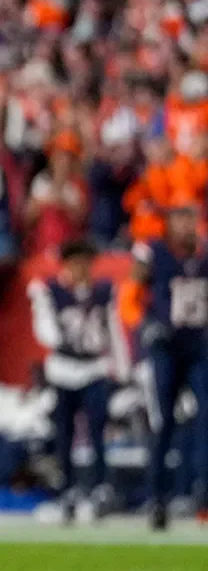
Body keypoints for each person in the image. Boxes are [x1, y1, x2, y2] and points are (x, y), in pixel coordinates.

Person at [125, 200, 208, 531]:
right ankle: (157, 498)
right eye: (180, 217)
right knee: (163, 424)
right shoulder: (153, 253)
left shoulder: (203, 255)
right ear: (169, 222)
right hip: (166, 348)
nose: (186, 225)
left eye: (191, 217)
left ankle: (202, 495)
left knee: (206, 420)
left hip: (200, 346)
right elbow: (129, 295)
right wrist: (143, 325)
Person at [27, 239, 123, 523]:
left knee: (97, 430)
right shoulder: (51, 291)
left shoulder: (104, 291)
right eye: (75, 262)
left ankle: (99, 488)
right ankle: (66, 490)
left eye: (85, 262)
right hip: (63, 369)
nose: (81, 269)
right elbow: (47, 334)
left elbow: (114, 329)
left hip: (94, 367)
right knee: (64, 434)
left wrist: (122, 367)